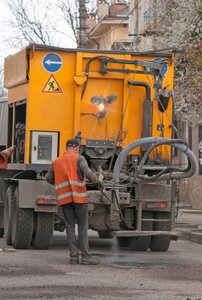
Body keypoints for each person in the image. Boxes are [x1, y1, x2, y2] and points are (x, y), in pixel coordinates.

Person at [46, 138, 102, 265]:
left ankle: (73, 257)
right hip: (79, 198)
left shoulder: (56, 161)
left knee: (69, 227)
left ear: (66, 148)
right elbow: (88, 174)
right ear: (77, 148)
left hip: (65, 199)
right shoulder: (79, 158)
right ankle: (86, 257)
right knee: (82, 227)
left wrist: (60, 182)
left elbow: (48, 178)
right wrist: (99, 182)